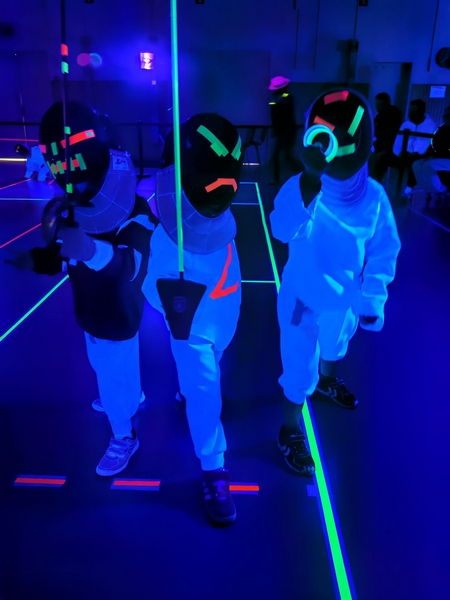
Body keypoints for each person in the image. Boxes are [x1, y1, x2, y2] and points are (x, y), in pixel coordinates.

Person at [5, 101, 156, 476]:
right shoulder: (77, 213)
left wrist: (90, 249)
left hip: (119, 315)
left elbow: (130, 266)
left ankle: (124, 435)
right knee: (106, 365)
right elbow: (63, 256)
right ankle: (130, 394)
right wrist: (38, 260)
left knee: (112, 372)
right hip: (90, 311)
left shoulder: (137, 215)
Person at [270, 88, 401, 475]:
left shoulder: (374, 196)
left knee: (335, 344)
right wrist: (310, 180)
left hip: (344, 297)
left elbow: (383, 249)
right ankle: (290, 428)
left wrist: (372, 297)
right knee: (298, 365)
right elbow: (281, 228)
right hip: (300, 298)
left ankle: (326, 381)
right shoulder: (302, 187)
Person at [143, 113, 243, 524]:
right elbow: (152, 289)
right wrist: (175, 302)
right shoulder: (165, 235)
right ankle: (214, 468)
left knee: (208, 372)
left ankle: (189, 392)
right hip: (192, 329)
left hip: (224, 315)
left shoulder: (223, 223)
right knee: (205, 392)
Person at [393, 99, 437, 193]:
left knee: (414, 162)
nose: (410, 114)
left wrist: (413, 154)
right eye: (410, 111)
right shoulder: (406, 124)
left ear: (421, 112)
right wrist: (399, 152)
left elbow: (425, 146)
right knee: (383, 157)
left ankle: (408, 190)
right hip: (403, 154)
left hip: (419, 156)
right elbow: (398, 141)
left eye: (413, 112)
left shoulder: (431, 125)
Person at [268, 75, 302, 186]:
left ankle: (302, 173)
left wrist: (275, 104)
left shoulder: (287, 98)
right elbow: (276, 115)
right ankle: (302, 174)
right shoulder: (280, 99)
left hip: (287, 131)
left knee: (284, 156)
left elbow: (282, 113)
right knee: (285, 156)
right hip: (284, 131)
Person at [411, 106, 450, 195]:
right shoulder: (441, 130)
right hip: (439, 157)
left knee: (428, 165)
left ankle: (441, 190)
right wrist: (429, 155)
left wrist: (434, 156)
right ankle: (427, 189)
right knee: (416, 164)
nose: (445, 117)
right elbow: (433, 144)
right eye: (445, 115)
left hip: (446, 158)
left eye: (448, 115)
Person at [368, 92, 403, 183]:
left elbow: (382, 134)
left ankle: (375, 186)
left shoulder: (389, 116)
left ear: (383, 104)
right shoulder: (384, 116)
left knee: (375, 165)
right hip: (381, 149)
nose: (375, 106)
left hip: (388, 150)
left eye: (377, 104)